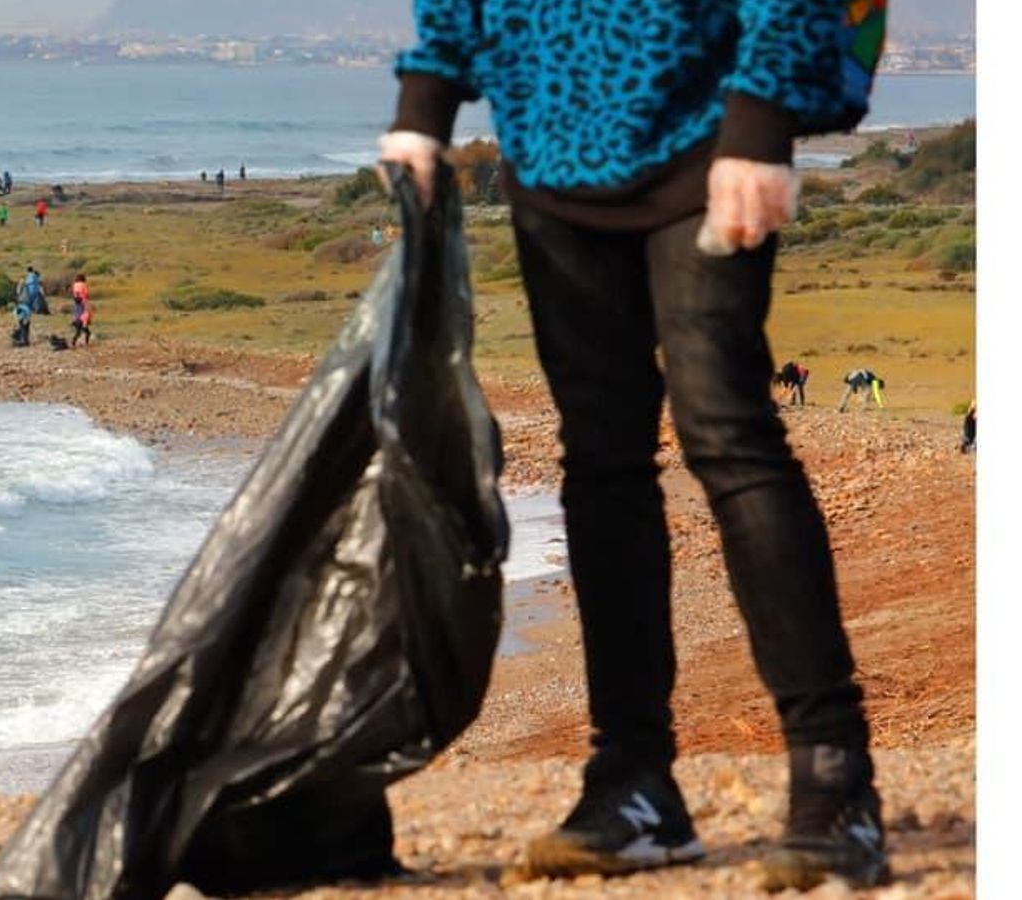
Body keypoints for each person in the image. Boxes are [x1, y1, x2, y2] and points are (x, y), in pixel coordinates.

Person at [382, 0, 888, 891]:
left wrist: (761, 125)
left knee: (727, 432)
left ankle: (833, 780)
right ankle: (633, 782)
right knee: (601, 463)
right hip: (546, 156)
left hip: (707, 136)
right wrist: (424, 110)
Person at [70, 274, 92, 347]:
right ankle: (86, 341)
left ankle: (74, 340)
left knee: (78, 315)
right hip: (83, 301)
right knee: (86, 314)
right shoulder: (84, 285)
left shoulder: (75, 284)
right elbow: (86, 294)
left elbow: (74, 293)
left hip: (76, 302)